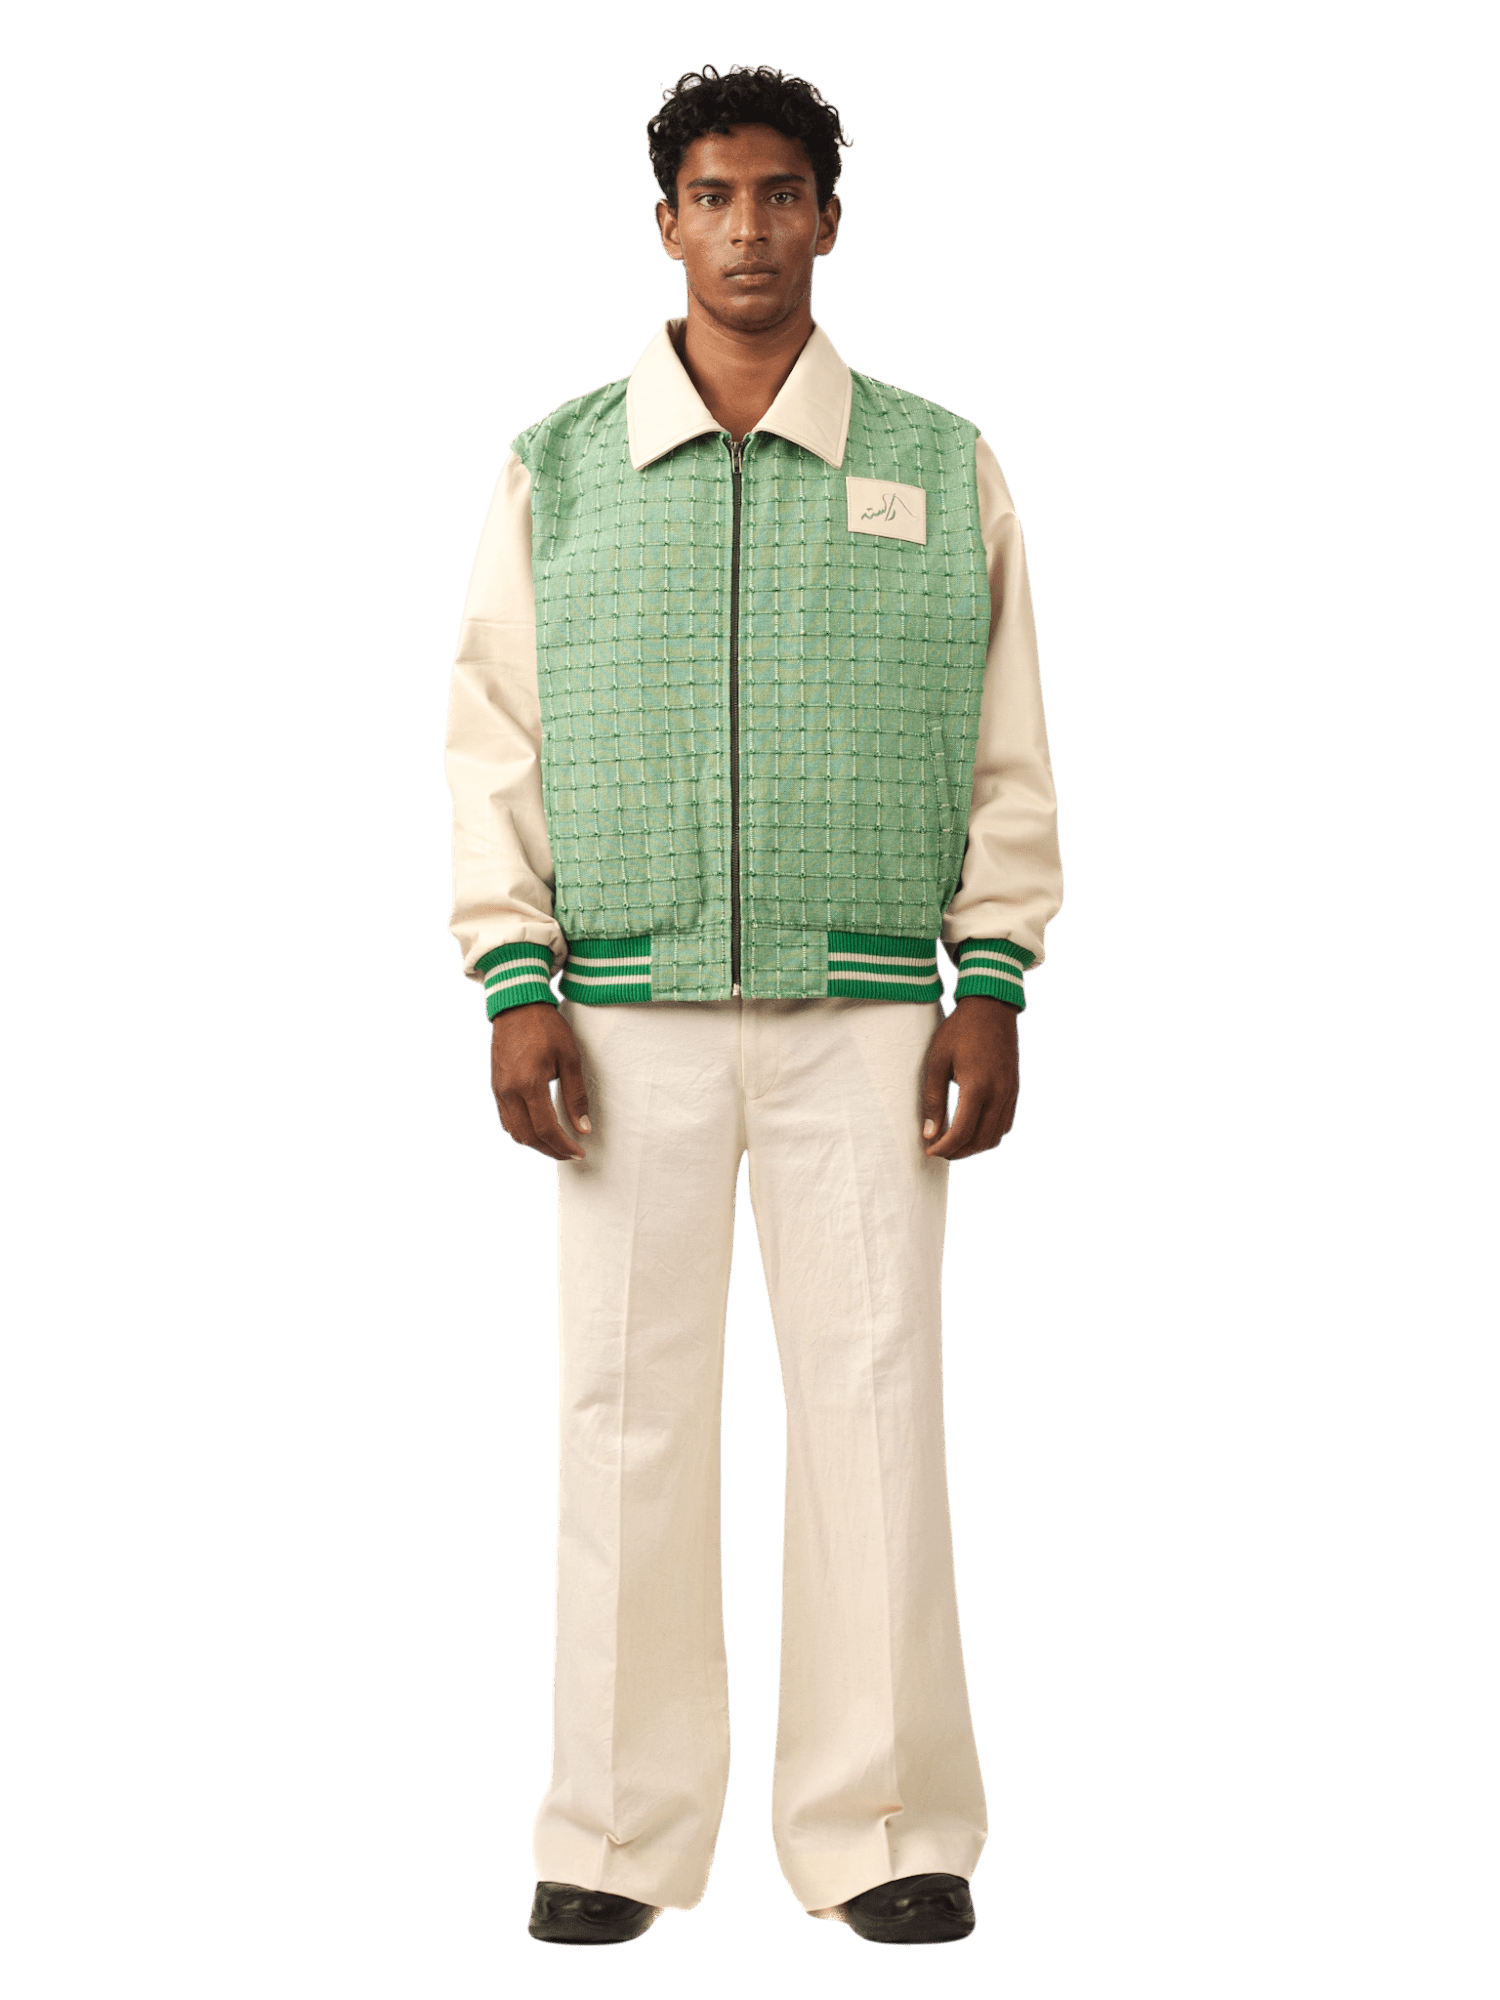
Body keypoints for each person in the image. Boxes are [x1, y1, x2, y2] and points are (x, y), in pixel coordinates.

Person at [444, 63, 1063, 1948]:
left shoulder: (941, 465)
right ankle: (614, 1835)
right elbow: (492, 740)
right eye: (713, 196)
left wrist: (992, 976)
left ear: (830, 220)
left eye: (781, 194)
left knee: (875, 1405)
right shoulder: (555, 468)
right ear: (665, 224)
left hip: (871, 1016)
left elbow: (1009, 746)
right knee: (623, 1409)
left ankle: (887, 1827)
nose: (749, 230)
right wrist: (514, 976)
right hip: (617, 1015)